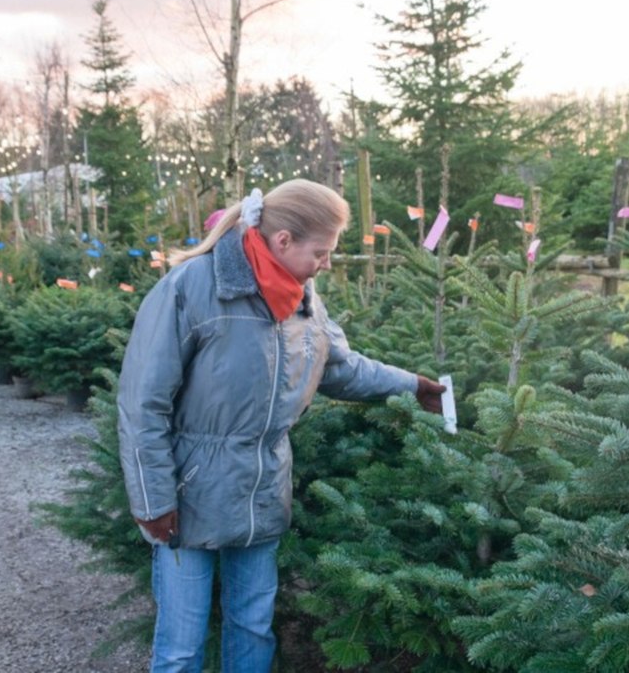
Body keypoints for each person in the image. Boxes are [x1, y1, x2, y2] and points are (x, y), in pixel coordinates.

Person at [117, 179, 446, 673]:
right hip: (187, 496)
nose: (328, 263)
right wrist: (152, 500)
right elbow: (144, 403)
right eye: (323, 251)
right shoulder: (191, 288)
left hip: (264, 491)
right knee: (182, 645)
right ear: (284, 240)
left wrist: (411, 385)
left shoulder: (304, 299)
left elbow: (339, 368)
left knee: (252, 628)